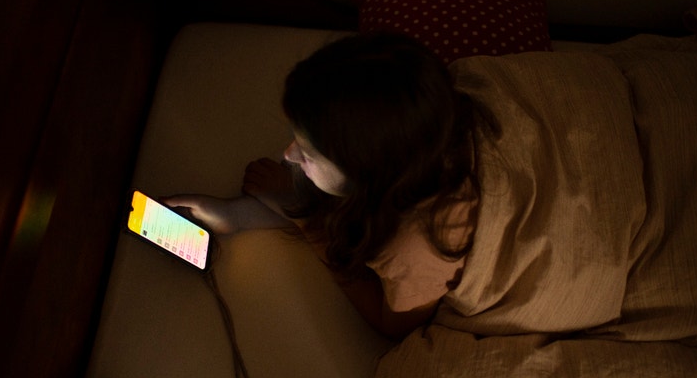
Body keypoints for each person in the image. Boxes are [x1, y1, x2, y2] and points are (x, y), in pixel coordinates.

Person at [164, 33, 498, 340]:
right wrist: (239, 215)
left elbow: (392, 326)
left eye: (306, 152)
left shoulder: (418, 244)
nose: (289, 155)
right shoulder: (421, 120)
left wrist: (310, 225)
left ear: (366, 177)